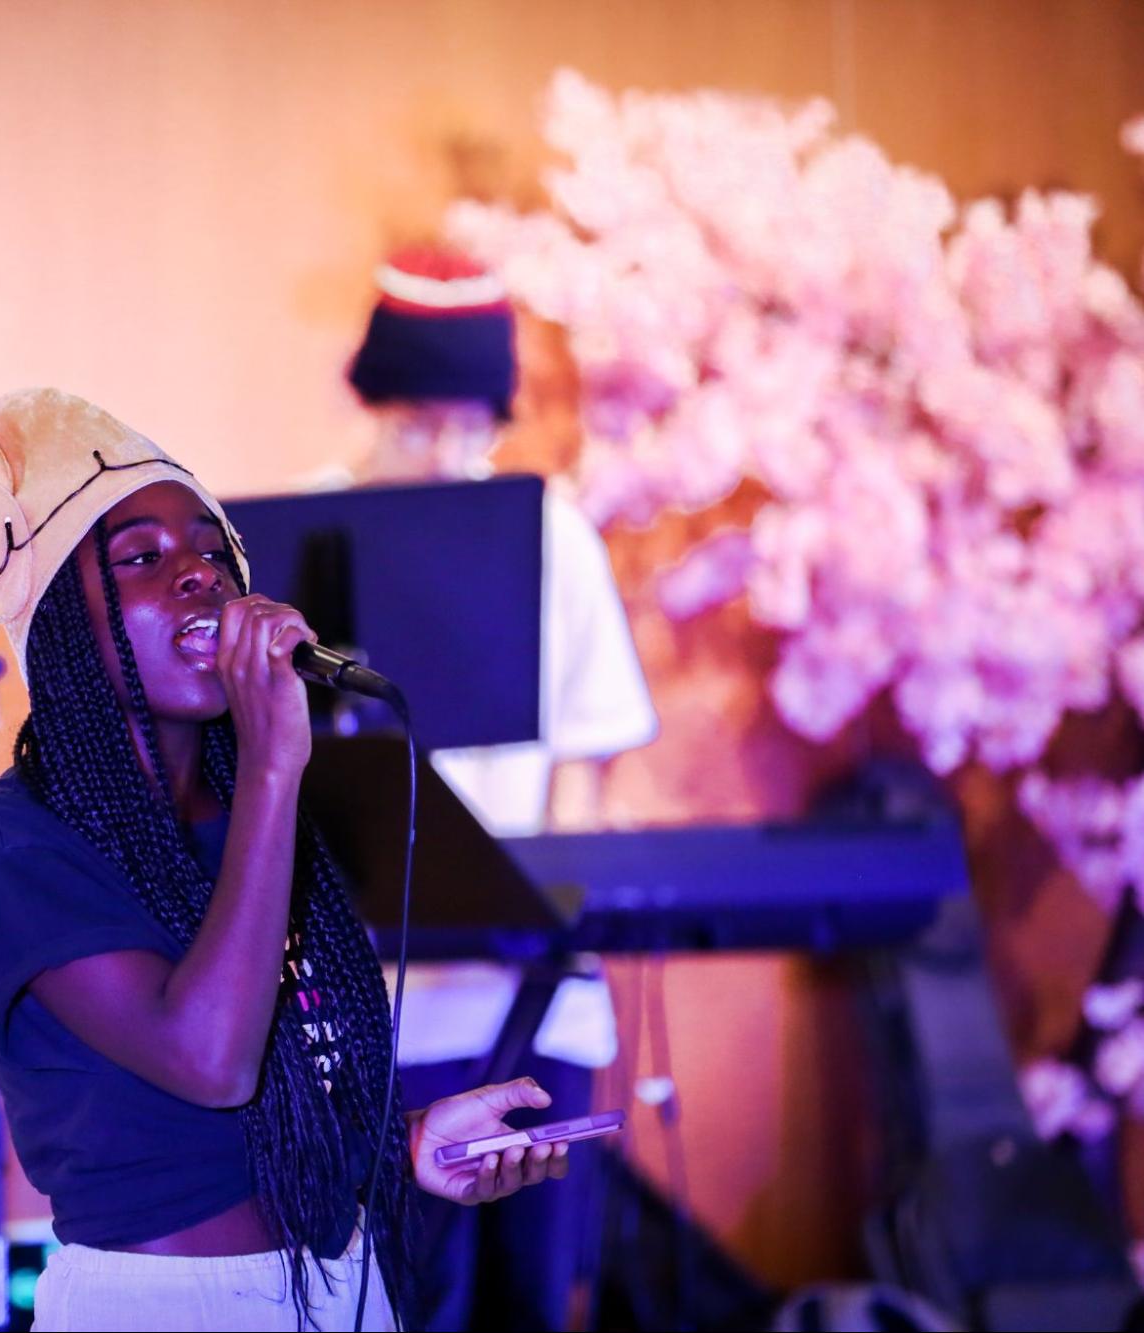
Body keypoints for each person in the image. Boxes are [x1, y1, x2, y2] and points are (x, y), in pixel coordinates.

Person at [0, 372, 566, 1332]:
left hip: (342, 1284)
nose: (198, 573)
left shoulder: (251, 814)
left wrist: (404, 1145)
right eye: (138, 556)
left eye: (215, 552)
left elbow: (268, 1099)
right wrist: (272, 765)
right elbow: (207, 1060)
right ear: (56, 623)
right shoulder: (4, 842)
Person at [342, 245, 660, 1330]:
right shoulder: (315, 533)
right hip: (374, 1005)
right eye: (416, 419)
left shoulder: (547, 532)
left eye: (466, 421)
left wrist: (561, 931)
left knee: (528, 1296)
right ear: (374, 403)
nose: (442, 446)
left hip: (530, 995)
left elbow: (586, 764)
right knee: (398, 1297)